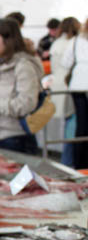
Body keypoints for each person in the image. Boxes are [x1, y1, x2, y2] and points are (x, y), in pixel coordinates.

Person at [0, 18, 43, 154]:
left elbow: (25, 104)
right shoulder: (0, 64)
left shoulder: (23, 66)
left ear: (8, 40)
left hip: (18, 139)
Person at [50, 17, 81, 167]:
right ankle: (68, 164)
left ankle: (66, 163)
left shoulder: (56, 43)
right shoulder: (75, 43)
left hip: (58, 87)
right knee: (73, 128)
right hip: (72, 88)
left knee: (69, 127)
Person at [62, 18, 88, 168]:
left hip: (78, 84)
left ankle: (80, 164)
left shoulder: (76, 41)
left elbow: (65, 62)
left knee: (81, 126)